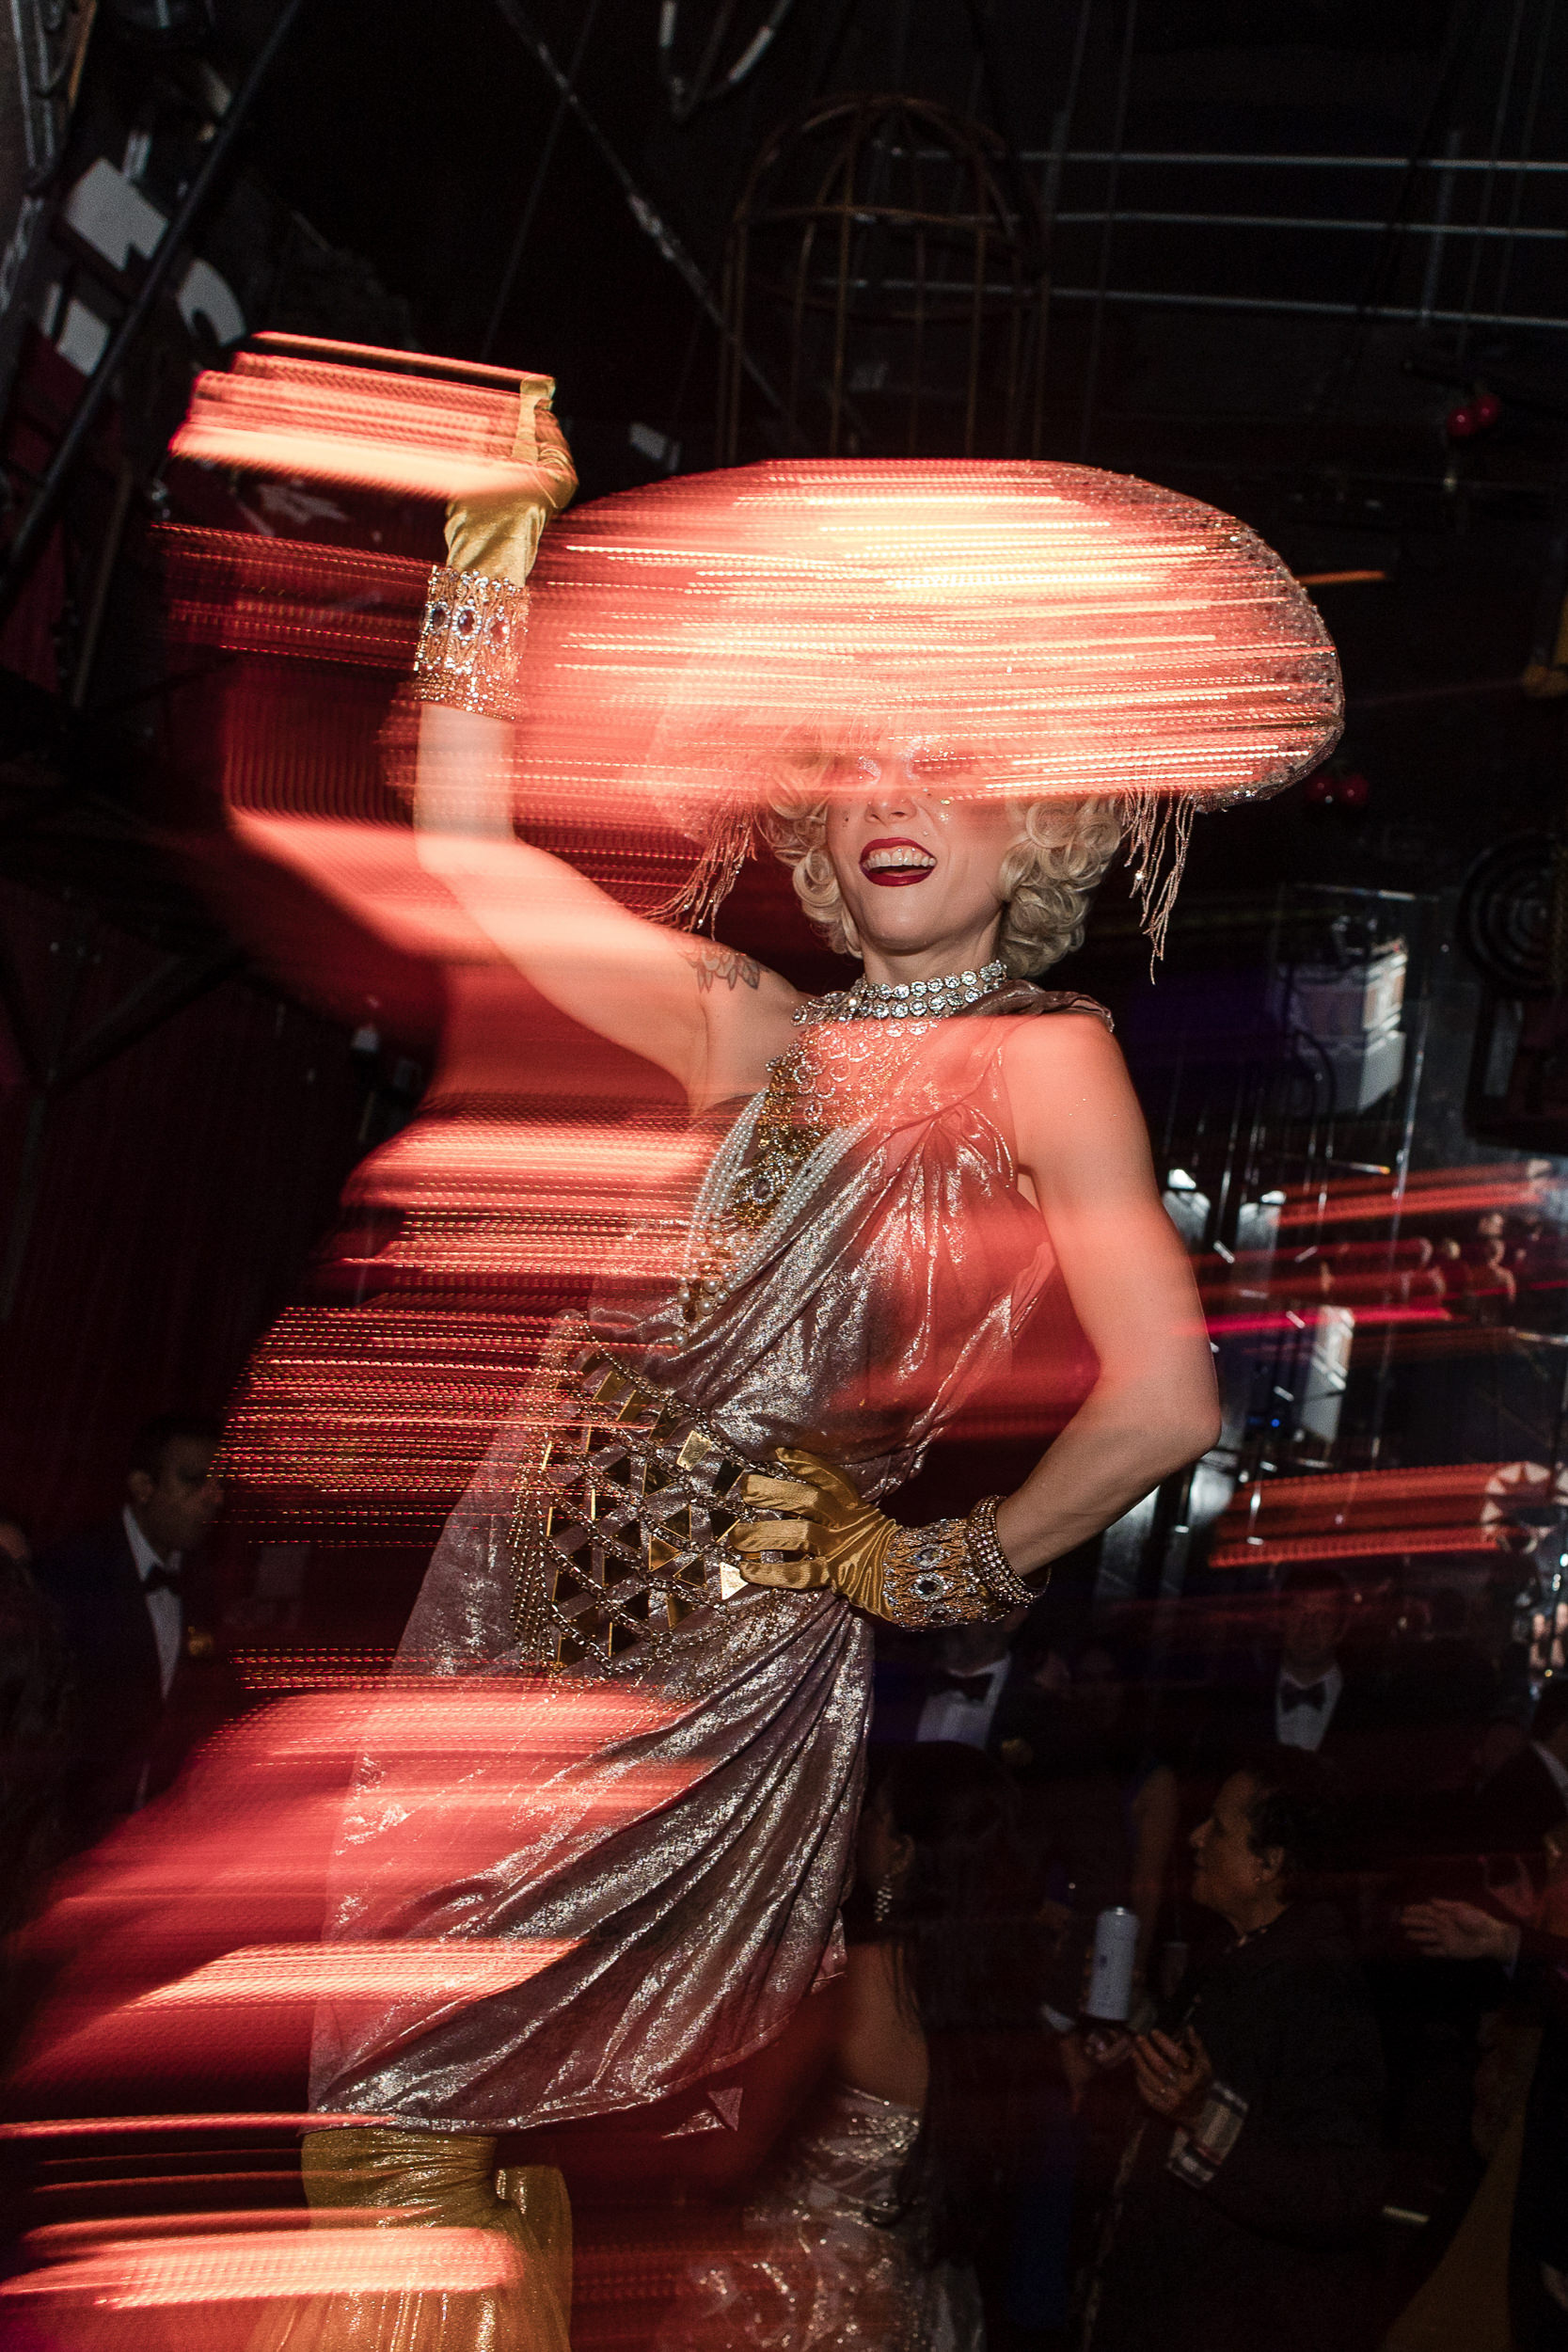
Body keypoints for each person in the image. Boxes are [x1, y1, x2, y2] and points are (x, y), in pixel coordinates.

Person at [213, 383, 1338, 2347]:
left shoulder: (1036, 1052)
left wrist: (923, 1569)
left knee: (401, 2111)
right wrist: (492, 546)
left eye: (951, 760)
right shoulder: (746, 1019)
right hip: (511, 1575)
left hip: (721, 1649)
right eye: (854, 763)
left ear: (1041, 819)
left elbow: (1162, 1397)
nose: (892, 793)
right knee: (380, 2109)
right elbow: (464, 842)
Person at [656, 1742, 1052, 2349]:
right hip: (922, 2293)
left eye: (878, 1813)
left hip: (799, 2296)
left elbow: (729, 2157)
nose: (862, 1824)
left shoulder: (852, 1982)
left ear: (901, 1852)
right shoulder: (1005, 2003)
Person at [1080, 1752, 1386, 2352]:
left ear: (1269, 1863)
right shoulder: (1233, 1949)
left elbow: (1344, 2190)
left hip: (1229, 2318)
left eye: (1217, 1828)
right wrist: (1136, 2039)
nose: (1195, 1838)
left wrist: (1200, 2117)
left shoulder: (1318, 1982)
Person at [32, 1411, 226, 1838]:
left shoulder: (201, 1582)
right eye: (195, 1480)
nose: (214, 1497)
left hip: (151, 1834)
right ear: (142, 1486)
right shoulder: (70, 1572)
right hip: (65, 1832)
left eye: (218, 1482)